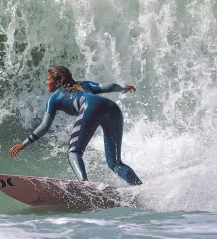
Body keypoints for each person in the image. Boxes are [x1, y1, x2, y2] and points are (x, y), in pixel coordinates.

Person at [9, 65, 142, 186]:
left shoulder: (54, 98)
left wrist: (24, 144)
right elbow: (109, 87)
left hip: (90, 106)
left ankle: (84, 184)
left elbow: (44, 126)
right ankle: (138, 187)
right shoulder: (84, 84)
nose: (46, 82)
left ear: (58, 81)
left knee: (74, 152)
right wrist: (123, 89)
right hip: (113, 109)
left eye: (48, 79)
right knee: (115, 163)